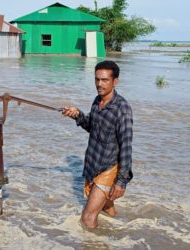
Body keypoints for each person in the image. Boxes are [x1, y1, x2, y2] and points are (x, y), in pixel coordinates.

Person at [62, 60, 133, 229]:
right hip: (92, 165)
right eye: (97, 79)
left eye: (105, 80)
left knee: (87, 217)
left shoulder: (122, 109)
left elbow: (126, 147)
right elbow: (93, 128)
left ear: (115, 81)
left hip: (108, 168)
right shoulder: (97, 101)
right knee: (107, 209)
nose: (99, 84)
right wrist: (77, 115)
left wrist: (121, 181)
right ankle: (122, 235)